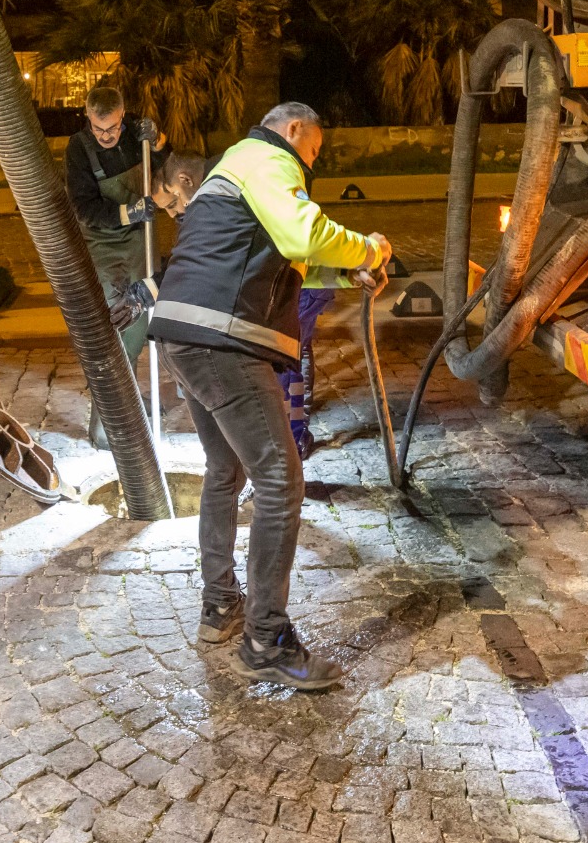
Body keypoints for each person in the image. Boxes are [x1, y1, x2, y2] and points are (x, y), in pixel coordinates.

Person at [148, 101, 391, 691]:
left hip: (183, 330)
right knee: (281, 478)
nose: (310, 167)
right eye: (313, 152)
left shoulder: (231, 169)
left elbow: (282, 259)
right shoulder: (268, 156)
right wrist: (369, 250)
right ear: (295, 129)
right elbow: (301, 231)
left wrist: (343, 274)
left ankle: (220, 608)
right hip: (222, 340)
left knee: (224, 469)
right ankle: (266, 639)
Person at [65, 83, 161, 363]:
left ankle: (129, 395)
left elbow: (165, 163)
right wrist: (129, 212)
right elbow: (84, 208)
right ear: (88, 118)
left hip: (140, 243)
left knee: (141, 320)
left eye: (113, 127)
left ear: (122, 116)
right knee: (115, 321)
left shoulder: (135, 134)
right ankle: (112, 401)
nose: (106, 136)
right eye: (99, 129)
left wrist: (158, 140)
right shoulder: (79, 149)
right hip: (103, 246)